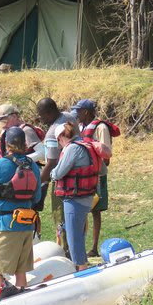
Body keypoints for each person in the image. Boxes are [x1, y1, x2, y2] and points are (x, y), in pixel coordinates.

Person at [0, 127, 41, 300]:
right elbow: (37, 197)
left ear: (6, 145)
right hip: (27, 225)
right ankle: (23, 299)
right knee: (21, 272)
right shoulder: (32, 165)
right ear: (25, 144)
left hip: (7, 224)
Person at [50, 121, 111, 270]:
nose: (59, 145)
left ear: (61, 137)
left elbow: (58, 173)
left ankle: (81, 269)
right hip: (88, 197)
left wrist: (51, 173)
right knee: (79, 234)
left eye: (58, 141)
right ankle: (82, 265)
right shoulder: (87, 145)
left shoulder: (72, 148)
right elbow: (102, 171)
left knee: (73, 238)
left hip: (74, 199)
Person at [72, 99, 120, 257]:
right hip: (82, 174)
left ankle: (93, 247)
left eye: (78, 111)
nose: (76, 114)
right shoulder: (81, 127)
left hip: (97, 174)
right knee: (82, 209)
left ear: (85, 112)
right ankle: (81, 246)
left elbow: (106, 155)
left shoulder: (100, 128)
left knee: (95, 210)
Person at [36, 97, 78, 248]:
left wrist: (38, 182)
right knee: (76, 218)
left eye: (41, 115)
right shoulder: (69, 117)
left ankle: (66, 250)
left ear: (48, 113)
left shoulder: (53, 132)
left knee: (61, 216)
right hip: (79, 176)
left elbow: (52, 162)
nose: (41, 119)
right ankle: (77, 248)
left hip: (62, 180)